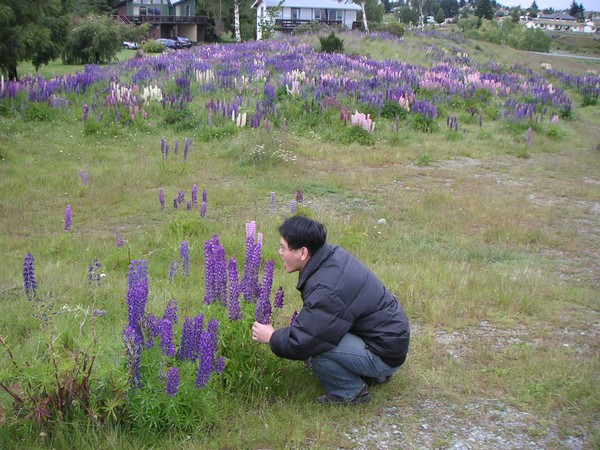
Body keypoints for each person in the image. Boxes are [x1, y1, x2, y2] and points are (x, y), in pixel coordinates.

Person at [252, 215, 410, 405]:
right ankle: (371, 373)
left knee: (316, 348)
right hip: (389, 341)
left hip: (384, 353)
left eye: (283, 248)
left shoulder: (327, 288)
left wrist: (272, 337)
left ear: (303, 253)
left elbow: (304, 341)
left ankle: (350, 392)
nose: (280, 252)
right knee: (319, 336)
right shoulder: (332, 256)